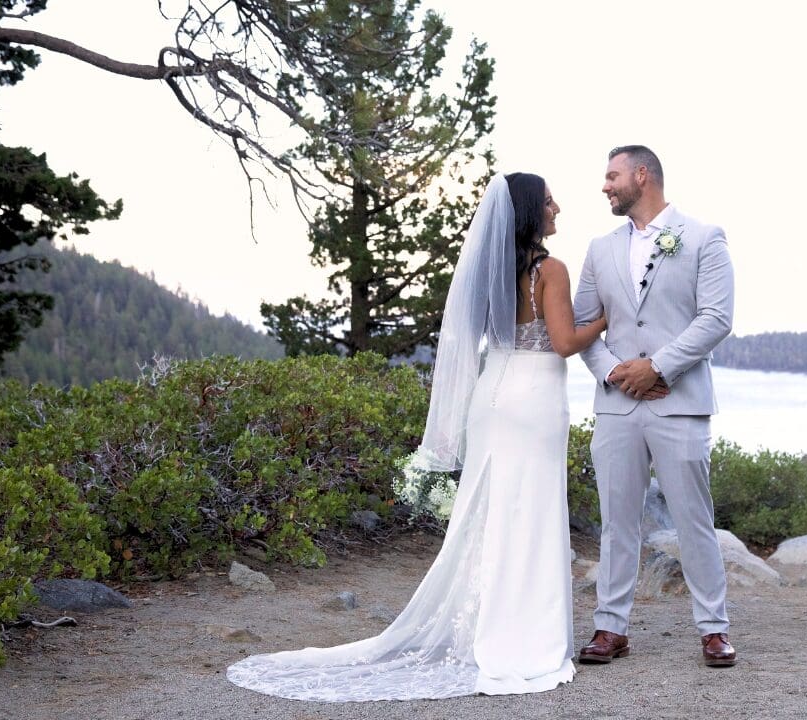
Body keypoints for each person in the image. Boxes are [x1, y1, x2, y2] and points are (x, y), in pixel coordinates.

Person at [226, 173, 611, 702]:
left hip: (491, 396)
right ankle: (523, 635)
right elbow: (564, 342)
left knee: (490, 514)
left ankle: (483, 627)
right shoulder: (551, 270)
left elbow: (468, 337)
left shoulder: (492, 270)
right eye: (548, 201)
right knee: (532, 513)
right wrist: (606, 317)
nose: (557, 208)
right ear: (527, 212)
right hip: (535, 399)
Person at [573, 145, 738, 667]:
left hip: (680, 403)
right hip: (618, 406)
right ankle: (610, 628)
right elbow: (583, 326)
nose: (605, 186)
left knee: (694, 520)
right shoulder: (600, 248)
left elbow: (715, 319)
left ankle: (713, 628)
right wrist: (615, 374)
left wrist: (658, 367)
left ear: (642, 176)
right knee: (617, 521)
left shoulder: (704, 238)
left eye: (612, 176)